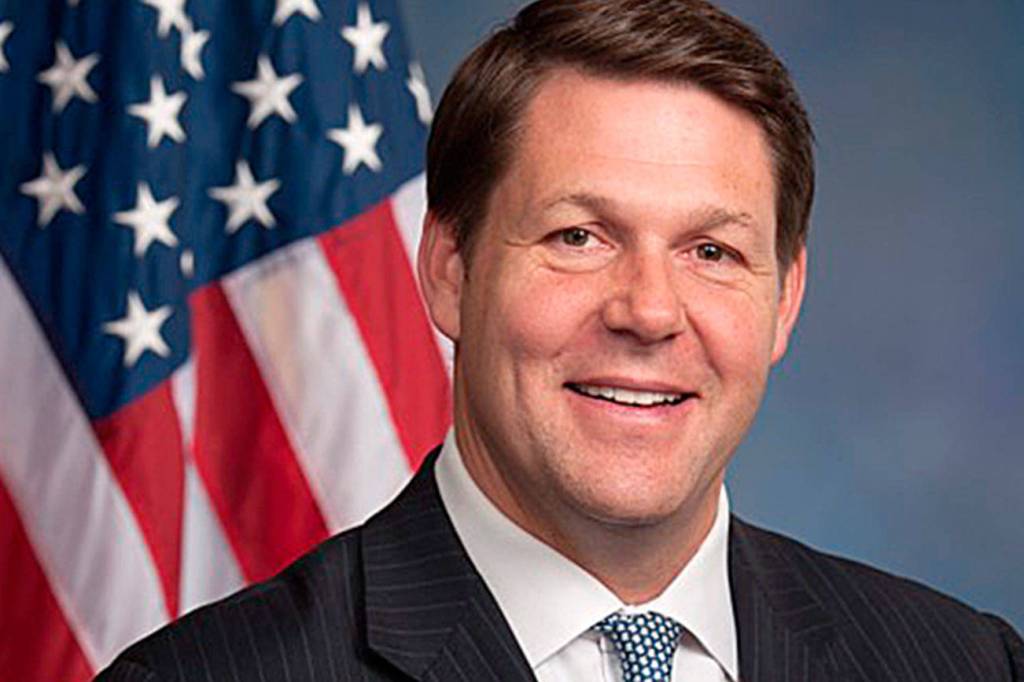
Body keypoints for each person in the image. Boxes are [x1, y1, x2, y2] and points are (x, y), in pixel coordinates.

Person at [98, 1, 1023, 680]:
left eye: (712, 251)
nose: (649, 312)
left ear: (785, 299)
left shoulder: (964, 664)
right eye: (579, 237)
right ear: (450, 270)